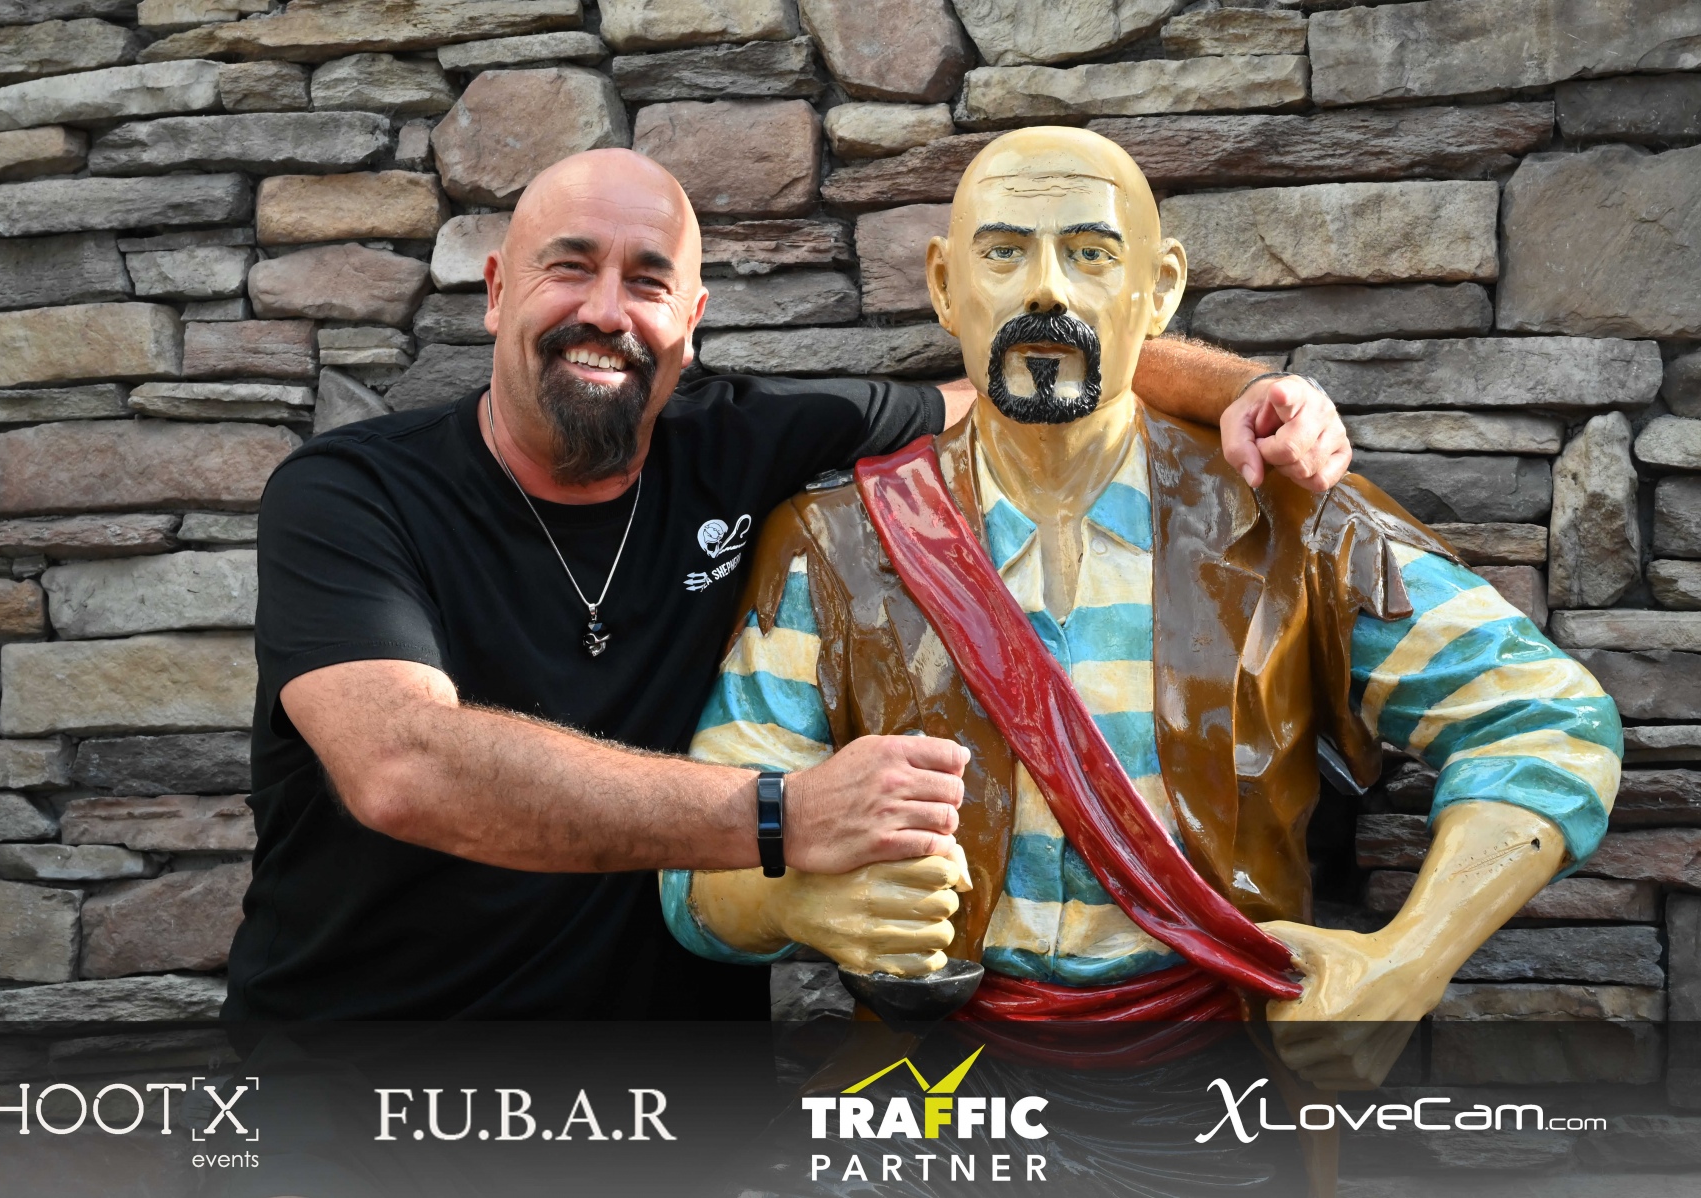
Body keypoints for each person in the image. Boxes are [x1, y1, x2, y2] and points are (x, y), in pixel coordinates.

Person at [225, 147, 1355, 1021]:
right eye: (569, 267)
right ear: (494, 290)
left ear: (692, 321)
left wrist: (1251, 389)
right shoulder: (349, 494)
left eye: (648, 280)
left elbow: (1032, 376)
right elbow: (403, 767)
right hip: (366, 1080)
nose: (607, 311)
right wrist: (783, 816)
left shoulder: (743, 443)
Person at [661, 127, 1621, 1081]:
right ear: (947, 287)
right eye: (1005, 253)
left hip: (1224, 1075)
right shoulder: (835, 546)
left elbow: (1546, 721)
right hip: (939, 1080)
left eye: (1090, 253)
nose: (1046, 289)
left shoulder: (1293, 524)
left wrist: (1409, 959)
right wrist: (792, 906)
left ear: (1159, 290)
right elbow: (699, 860)